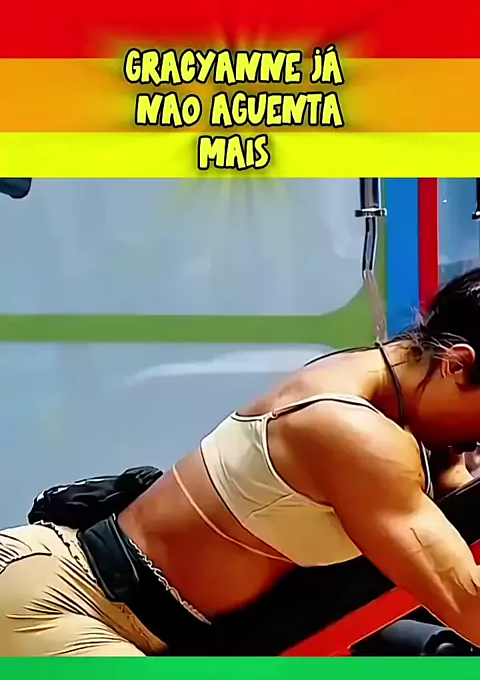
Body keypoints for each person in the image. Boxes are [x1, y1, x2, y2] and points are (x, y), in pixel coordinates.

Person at [2, 269, 480, 657]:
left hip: (135, 617)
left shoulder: (399, 391)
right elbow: (468, 604)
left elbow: (458, 508)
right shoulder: (351, 432)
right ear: (457, 365)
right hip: (62, 602)